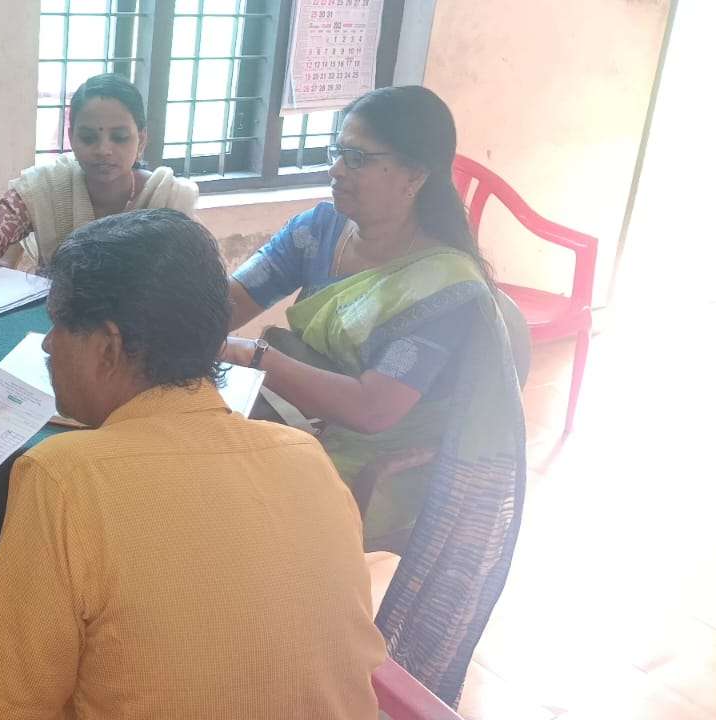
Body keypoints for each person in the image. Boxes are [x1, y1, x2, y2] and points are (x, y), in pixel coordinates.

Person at [0, 209, 385, 719]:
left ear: (109, 348)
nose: (48, 346)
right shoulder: (306, 457)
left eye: (57, 326)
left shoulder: (64, 476)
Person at [221, 86, 526, 704]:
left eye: (358, 158)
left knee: (224, 501)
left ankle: (269, 654)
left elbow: (372, 408)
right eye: (339, 152)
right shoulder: (322, 228)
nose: (337, 169)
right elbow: (229, 304)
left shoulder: (443, 285)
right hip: (302, 414)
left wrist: (253, 357)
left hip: (383, 459)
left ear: (414, 175)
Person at [0, 73, 198, 323]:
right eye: (88, 138)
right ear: (71, 137)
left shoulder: (167, 200)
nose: (103, 150)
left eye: (120, 137)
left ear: (142, 141)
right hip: (54, 325)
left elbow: (188, 292)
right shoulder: (48, 186)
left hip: (138, 335)